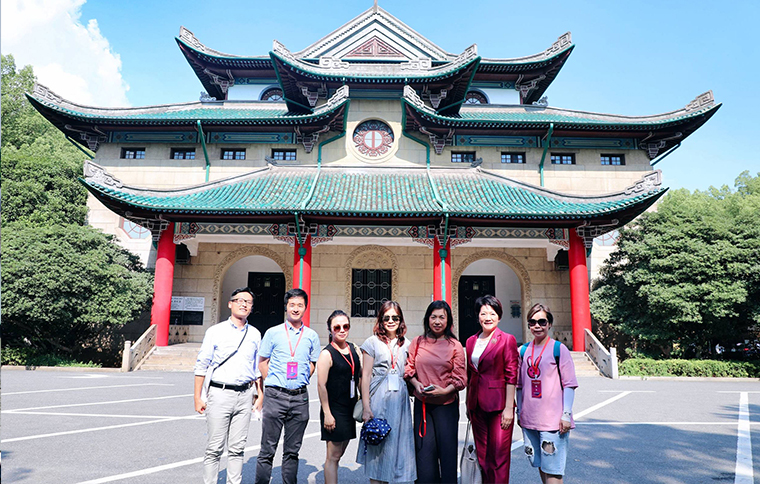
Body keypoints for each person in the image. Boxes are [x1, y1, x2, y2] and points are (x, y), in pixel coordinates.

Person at [194, 287, 263, 484]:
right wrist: (197, 397)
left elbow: (256, 369)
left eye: (248, 302)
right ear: (230, 304)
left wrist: (260, 394)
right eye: (239, 300)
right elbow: (202, 364)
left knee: (237, 449)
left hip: (245, 395)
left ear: (251, 308)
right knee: (214, 448)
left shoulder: (255, 334)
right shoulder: (215, 331)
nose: (244, 304)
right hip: (220, 393)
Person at [255, 288, 321, 484]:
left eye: (300, 305)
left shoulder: (311, 335)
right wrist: (274, 382)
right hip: (275, 396)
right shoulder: (273, 333)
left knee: (292, 451)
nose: (296, 309)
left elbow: (313, 363)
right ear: (286, 307)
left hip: (300, 398)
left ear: (305, 308)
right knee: (267, 449)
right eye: (292, 305)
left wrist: (300, 379)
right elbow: (262, 362)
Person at [404, 300, 466, 484]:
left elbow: (461, 378)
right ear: (427, 319)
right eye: (433, 317)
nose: (437, 321)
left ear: (448, 320)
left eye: (441, 317)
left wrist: (444, 391)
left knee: (447, 456)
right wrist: (416, 384)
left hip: (446, 407)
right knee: (424, 457)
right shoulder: (417, 342)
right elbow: (409, 369)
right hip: (423, 407)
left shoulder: (455, 345)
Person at [516, 303, 578, 484]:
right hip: (530, 419)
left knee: (553, 471)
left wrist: (566, 414)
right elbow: (519, 386)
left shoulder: (559, 349)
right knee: (541, 466)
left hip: (553, 421)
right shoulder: (523, 351)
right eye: (532, 322)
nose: (537, 326)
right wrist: (519, 412)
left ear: (549, 324)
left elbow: (569, 384)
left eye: (542, 322)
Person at [357, 301, 416, 484]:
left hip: (400, 402)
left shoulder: (407, 344)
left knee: (397, 445)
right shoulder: (371, 342)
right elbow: (366, 376)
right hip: (378, 398)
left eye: (395, 318)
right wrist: (366, 407)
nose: (391, 321)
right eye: (387, 317)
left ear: (400, 320)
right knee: (378, 444)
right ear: (381, 320)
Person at [465, 295, 519, 484]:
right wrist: (468, 404)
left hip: (499, 407)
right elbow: (470, 374)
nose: (488, 317)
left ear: (499, 316)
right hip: (476, 406)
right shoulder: (471, 341)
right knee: (482, 457)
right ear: (478, 316)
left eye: (492, 313)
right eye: (483, 313)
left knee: (498, 458)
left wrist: (508, 408)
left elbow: (512, 375)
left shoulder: (507, 340)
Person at [316, 310, 362, 484]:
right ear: (330, 329)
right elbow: (321, 385)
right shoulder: (326, 354)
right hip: (334, 409)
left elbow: (359, 377)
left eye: (345, 326)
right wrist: (327, 413)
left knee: (340, 453)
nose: (342, 330)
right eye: (337, 327)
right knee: (333, 456)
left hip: (350, 407)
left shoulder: (353, 349)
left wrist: (364, 402)